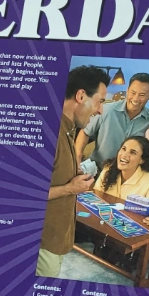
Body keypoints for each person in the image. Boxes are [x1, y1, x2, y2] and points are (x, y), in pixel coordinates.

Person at [38, 65, 108, 278]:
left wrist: (71, 176)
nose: (100, 110)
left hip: (57, 238)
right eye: (100, 101)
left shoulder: (68, 129)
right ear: (81, 96)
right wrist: (69, 188)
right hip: (43, 242)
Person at [76, 72, 149, 167]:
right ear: (127, 90)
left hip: (130, 172)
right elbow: (85, 132)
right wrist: (77, 157)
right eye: (133, 92)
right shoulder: (105, 110)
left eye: (142, 95)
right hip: (98, 168)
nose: (135, 98)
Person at [95, 136, 149, 208]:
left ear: (142, 160)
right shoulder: (108, 169)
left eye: (133, 152)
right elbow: (95, 198)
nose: (124, 155)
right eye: (123, 149)